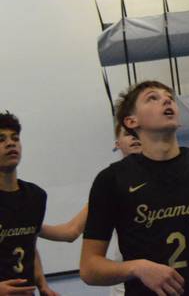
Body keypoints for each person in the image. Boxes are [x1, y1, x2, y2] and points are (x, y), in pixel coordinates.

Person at [80, 81, 189, 295]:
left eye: (169, 96)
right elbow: (89, 268)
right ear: (132, 121)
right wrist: (137, 267)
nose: (166, 100)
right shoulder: (111, 180)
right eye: (152, 97)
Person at [41, 123, 143, 295]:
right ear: (117, 143)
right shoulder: (110, 186)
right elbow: (70, 231)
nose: (134, 137)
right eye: (127, 133)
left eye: (137, 132)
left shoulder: (172, 178)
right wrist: (32, 226)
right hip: (127, 281)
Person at [0, 111, 59, 296]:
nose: (11, 143)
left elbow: (30, 245)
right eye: (1, 139)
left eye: (15, 138)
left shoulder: (36, 196)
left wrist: (42, 285)